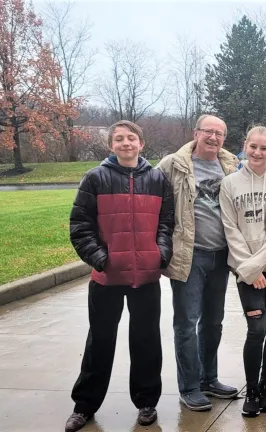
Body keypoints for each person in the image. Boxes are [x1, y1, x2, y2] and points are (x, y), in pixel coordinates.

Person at [65, 120, 175, 432]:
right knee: (99, 341)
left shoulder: (157, 179)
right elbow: (80, 226)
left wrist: (160, 253)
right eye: (119, 139)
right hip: (106, 278)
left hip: (146, 278)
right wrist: (100, 259)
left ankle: (146, 402)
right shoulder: (95, 178)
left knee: (146, 341)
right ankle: (84, 405)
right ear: (111, 145)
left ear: (141, 143)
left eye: (131, 138)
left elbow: (167, 223)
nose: (125, 143)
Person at [156, 114, 240, 411]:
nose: (214, 138)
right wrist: (162, 251)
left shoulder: (230, 164)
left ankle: (209, 379)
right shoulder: (172, 164)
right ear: (196, 133)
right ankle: (189, 386)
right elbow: (155, 208)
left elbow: (264, 167)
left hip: (220, 256)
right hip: (189, 257)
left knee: (213, 322)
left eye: (219, 133)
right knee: (186, 324)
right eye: (208, 132)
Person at [219, 126, 266, 417]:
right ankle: (251, 389)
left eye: (264, 148)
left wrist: (256, 266)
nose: (258, 153)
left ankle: (265, 387)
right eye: (253, 147)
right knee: (256, 329)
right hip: (244, 267)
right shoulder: (230, 183)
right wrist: (249, 269)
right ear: (245, 146)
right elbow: (230, 230)